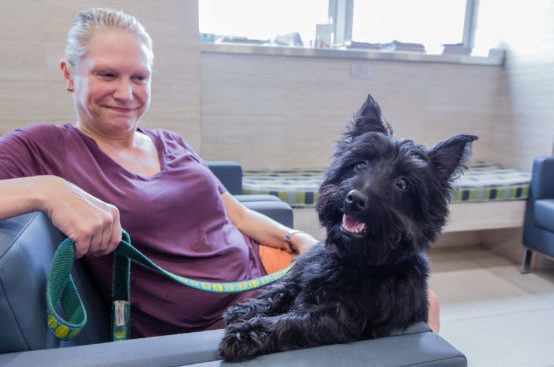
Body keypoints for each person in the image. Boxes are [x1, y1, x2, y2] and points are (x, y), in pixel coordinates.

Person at [0, 8, 439, 337]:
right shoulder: (42, 148)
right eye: (107, 74)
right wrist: (48, 189)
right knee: (407, 322)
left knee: (421, 299)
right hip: (223, 317)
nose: (125, 93)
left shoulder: (171, 142)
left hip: (271, 273)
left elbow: (237, 214)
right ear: (69, 74)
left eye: (139, 77)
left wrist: (299, 241)